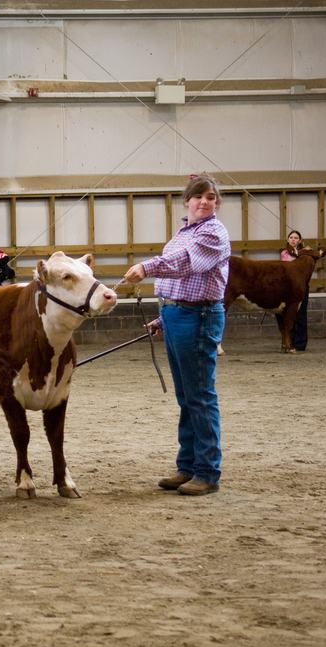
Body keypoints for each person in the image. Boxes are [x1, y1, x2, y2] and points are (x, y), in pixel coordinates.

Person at [122, 175, 231, 496]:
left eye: (210, 197)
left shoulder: (213, 233)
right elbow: (181, 282)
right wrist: (164, 316)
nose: (204, 202)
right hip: (179, 315)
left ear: (217, 202)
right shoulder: (185, 232)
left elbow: (184, 264)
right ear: (187, 201)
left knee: (200, 396)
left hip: (198, 317)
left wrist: (146, 267)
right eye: (198, 196)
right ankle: (188, 466)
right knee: (187, 397)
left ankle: (207, 472)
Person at [280, 230, 309, 351]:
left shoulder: (305, 254)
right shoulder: (285, 253)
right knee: (289, 314)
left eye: (296, 238)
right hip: (288, 286)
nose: (293, 240)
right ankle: (289, 341)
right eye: (291, 237)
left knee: (301, 313)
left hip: (301, 285)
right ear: (288, 240)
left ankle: (300, 343)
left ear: (300, 240)